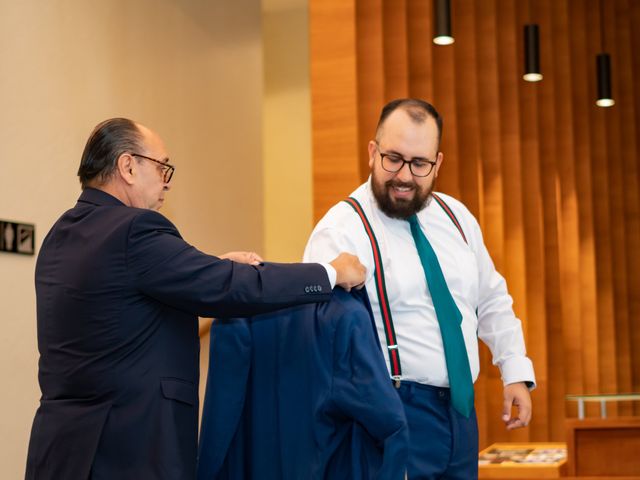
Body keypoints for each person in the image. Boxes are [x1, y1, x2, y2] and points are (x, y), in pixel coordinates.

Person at [25, 117, 366, 480]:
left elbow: (122, 304)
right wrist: (329, 272)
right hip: (129, 451)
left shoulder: (61, 234)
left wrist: (208, 268)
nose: (166, 183)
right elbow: (230, 287)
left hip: (62, 451)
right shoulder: (134, 229)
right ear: (127, 166)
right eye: (162, 168)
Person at [304, 98, 536, 479]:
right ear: (372, 152)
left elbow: (492, 297)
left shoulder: (457, 217)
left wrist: (514, 370)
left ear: (437, 164)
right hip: (388, 414)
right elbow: (319, 338)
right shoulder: (341, 230)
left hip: (461, 414)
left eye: (419, 164)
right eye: (393, 158)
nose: (405, 176)